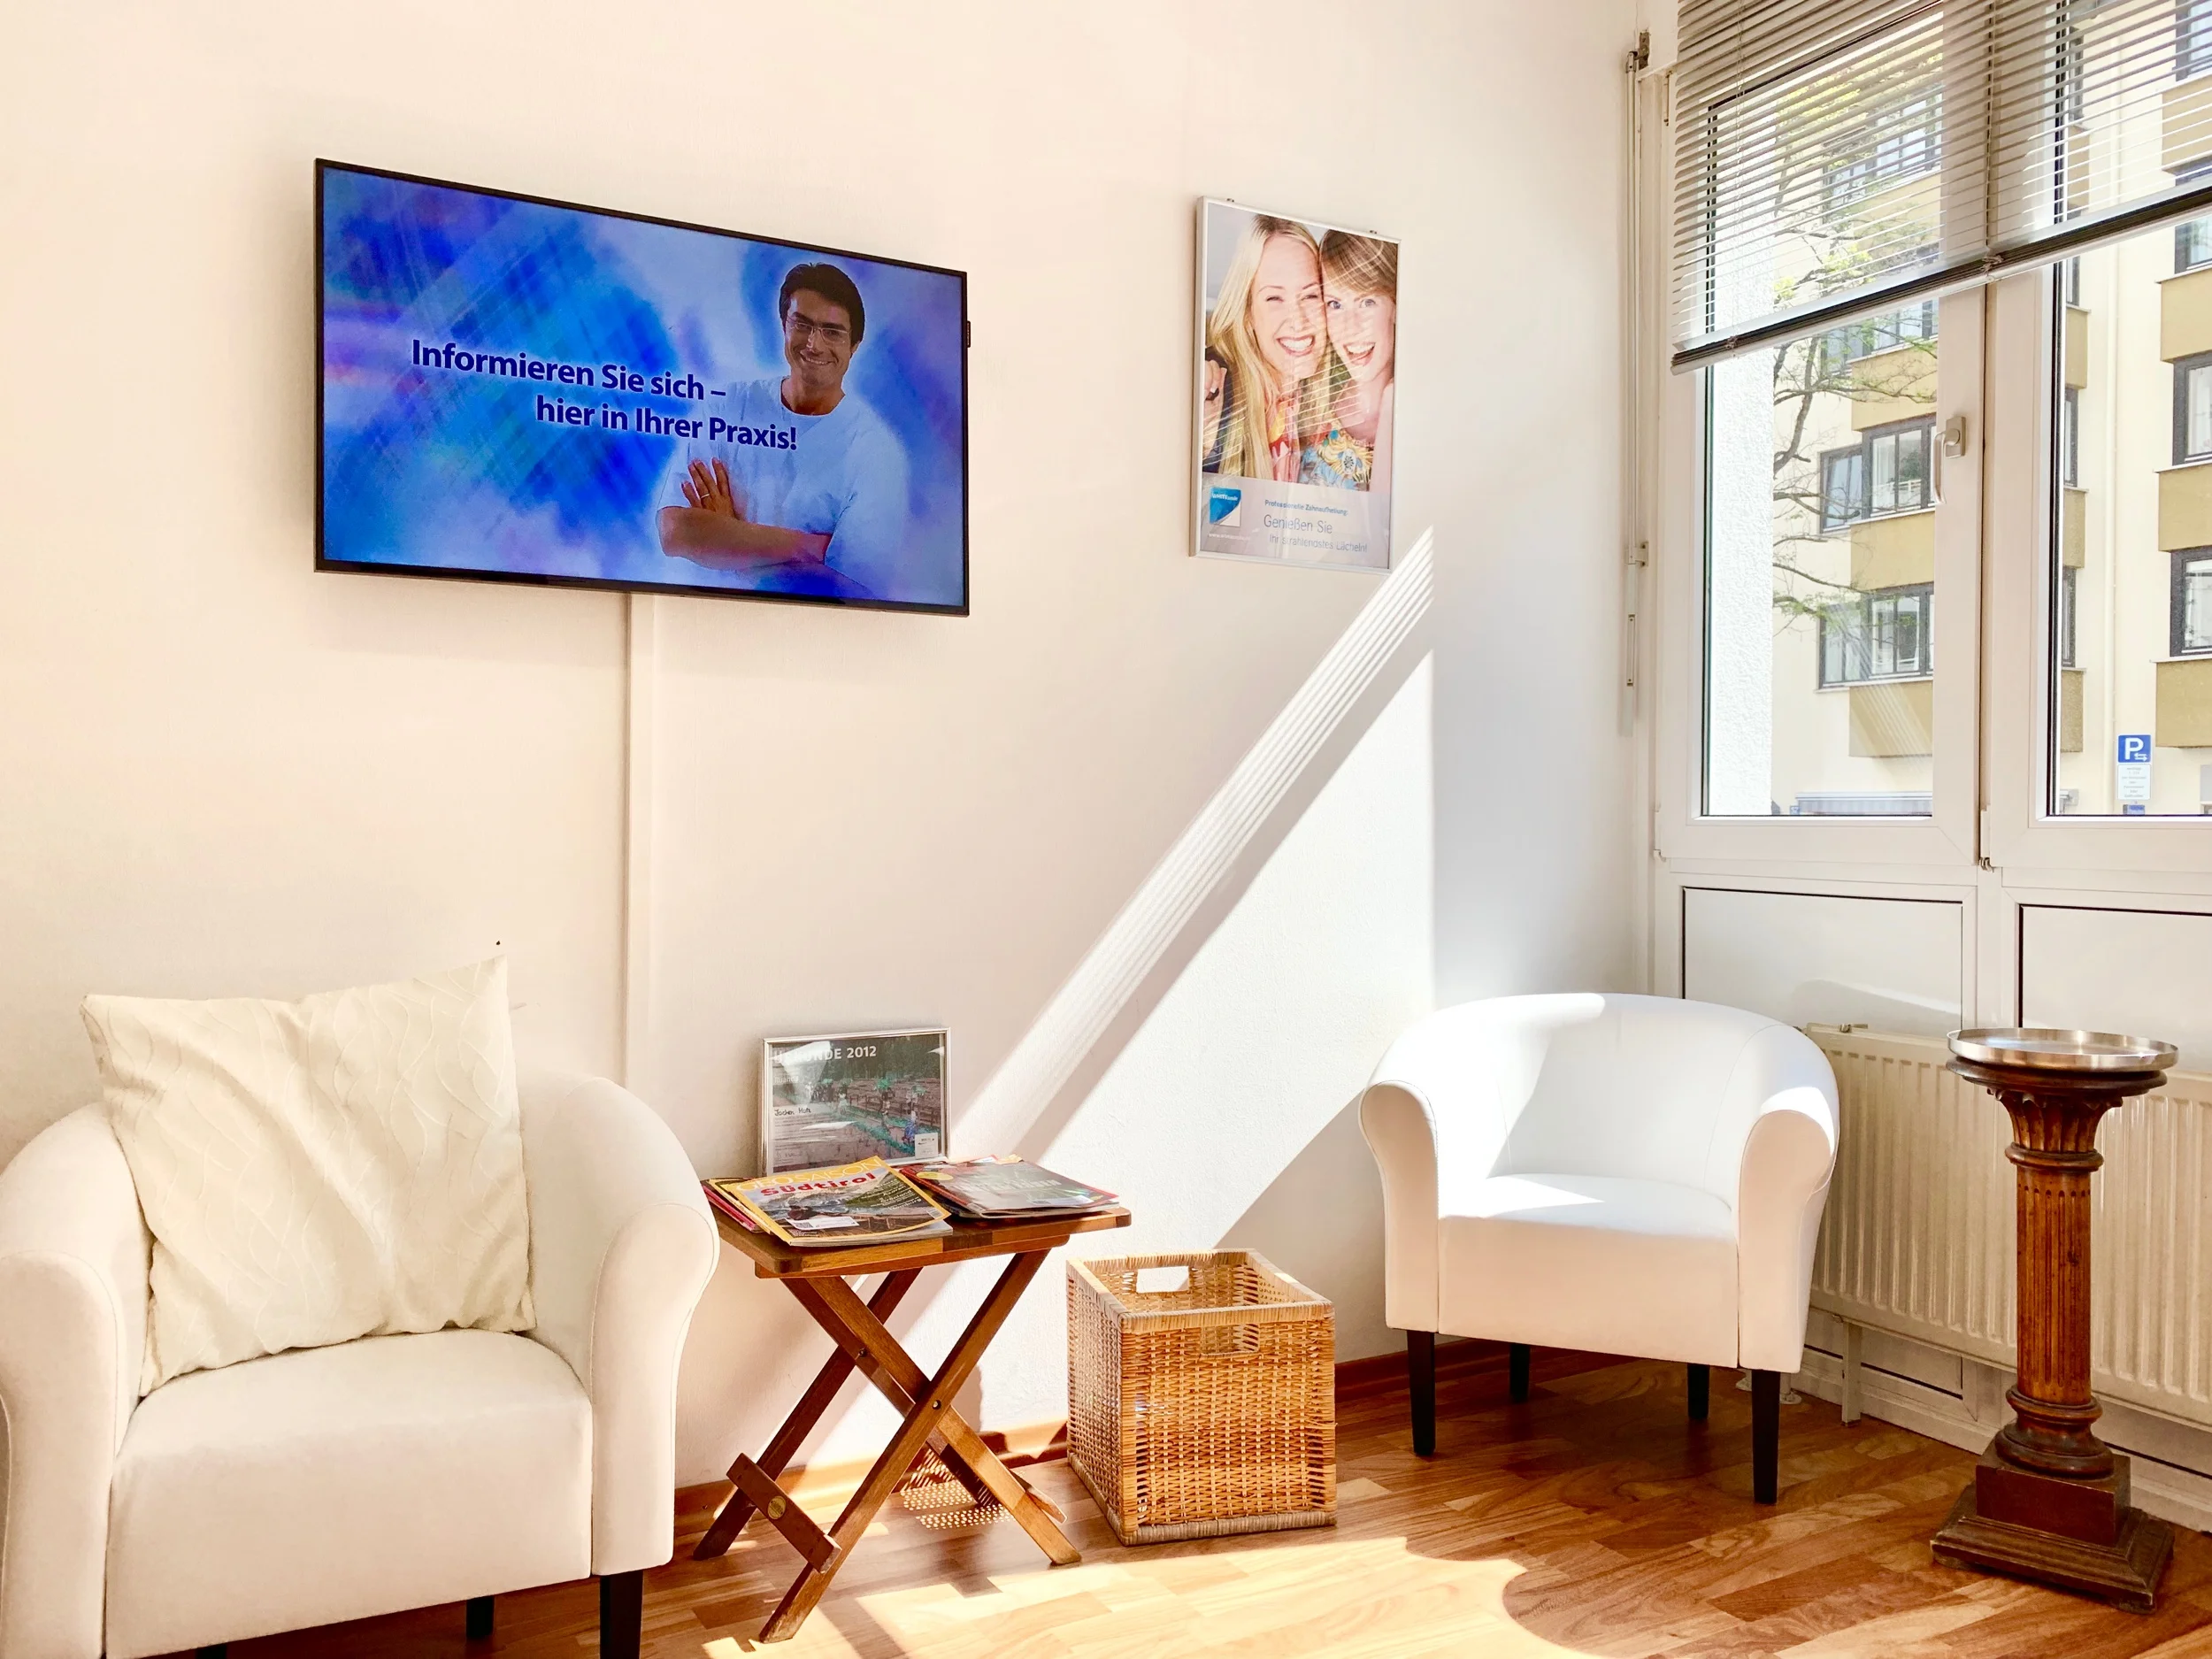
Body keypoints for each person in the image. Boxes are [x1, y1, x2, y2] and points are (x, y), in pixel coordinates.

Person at [657, 262, 908, 596]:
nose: (814, 344)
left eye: (832, 331)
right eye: (802, 324)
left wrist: (730, 541)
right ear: (783, 325)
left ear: (854, 346)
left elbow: (854, 590)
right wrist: (811, 547)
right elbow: (674, 531)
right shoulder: (725, 408)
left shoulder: (876, 452)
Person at [1201, 216, 1330, 484]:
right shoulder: (1214, 391)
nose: (1298, 321)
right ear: (1248, 312)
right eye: (1274, 298)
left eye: (1310, 295)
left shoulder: (1332, 394)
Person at [1302, 232, 1398, 492]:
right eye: (1335, 304)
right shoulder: (1308, 408)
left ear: (1396, 305)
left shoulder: (1427, 418)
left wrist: (1391, 404)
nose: (1350, 328)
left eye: (1367, 302)